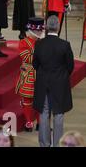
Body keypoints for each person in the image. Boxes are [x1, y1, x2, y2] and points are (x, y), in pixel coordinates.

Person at [33, 15, 74, 147]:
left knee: (44, 113)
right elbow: (70, 66)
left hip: (43, 82)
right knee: (59, 113)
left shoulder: (39, 44)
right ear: (58, 26)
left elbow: (35, 64)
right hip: (59, 84)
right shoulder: (65, 45)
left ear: (46, 26)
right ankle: (57, 144)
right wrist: (62, 76)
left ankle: (44, 144)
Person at [15, 17, 44, 132]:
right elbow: (27, 58)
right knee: (27, 100)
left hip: (41, 74)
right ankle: (29, 122)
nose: (40, 33)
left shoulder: (42, 42)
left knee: (40, 100)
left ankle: (40, 123)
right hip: (29, 75)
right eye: (38, 31)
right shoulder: (23, 42)